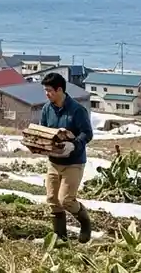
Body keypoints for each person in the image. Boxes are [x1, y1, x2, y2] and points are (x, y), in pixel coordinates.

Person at [39, 73, 94, 242]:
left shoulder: (77, 110)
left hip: (73, 162)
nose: (46, 94)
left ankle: (86, 224)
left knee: (66, 200)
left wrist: (75, 143)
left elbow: (88, 133)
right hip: (54, 161)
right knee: (53, 200)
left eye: (49, 91)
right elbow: (43, 130)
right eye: (45, 91)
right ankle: (61, 237)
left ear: (59, 90)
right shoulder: (47, 109)